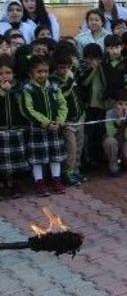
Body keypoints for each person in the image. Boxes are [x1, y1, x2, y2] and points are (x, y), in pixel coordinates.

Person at [21, 55, 67, 196]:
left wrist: (60, 121)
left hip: (55, 127)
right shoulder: (28, 89)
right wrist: (45, 122)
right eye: (39, 72)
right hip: (38, 128)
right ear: (31, 73)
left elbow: (62, 105)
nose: (43, 74)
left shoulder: (54, 87)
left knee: (55, 155)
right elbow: (28, 110)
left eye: (45, 71)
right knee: (38, 158)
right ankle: (39, 183)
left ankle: (56, 180)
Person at [51, 49, 86, 186]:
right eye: (61, 67)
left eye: (67, 67)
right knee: (70, 147)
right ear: (55, 67)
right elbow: (64, 92)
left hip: (79, 117)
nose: (65, 70)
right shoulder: (54, 80)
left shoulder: (72, 74)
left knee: (79, 146)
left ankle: (76, 169)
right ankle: (68, 171)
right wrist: (70, 78)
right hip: (67, 121)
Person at [0, 55, 27, 198]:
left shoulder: (18, 89)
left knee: (17, 158)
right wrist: (2, 92)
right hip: (1, 130)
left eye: (8, 73)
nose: (4, 76)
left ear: (14, 74)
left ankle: (16, 183)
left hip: (16, 129)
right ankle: (3, 184)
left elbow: (22, 108)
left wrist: (10, 92)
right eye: (1, 73)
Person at [103, 89, 127, 176]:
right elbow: (110, 133)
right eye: (120, 104)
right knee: (110, 141)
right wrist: (118, 122)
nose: (123, 107)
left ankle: (126, 163)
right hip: (114, 141)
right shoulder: (110, 114)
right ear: (115, 104)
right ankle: (113, 165)